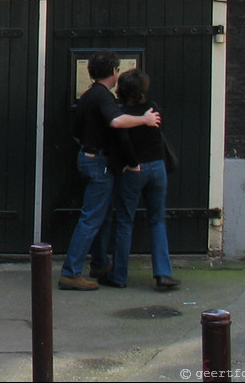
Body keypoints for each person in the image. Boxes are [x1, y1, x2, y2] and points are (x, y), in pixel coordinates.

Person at [59, 51, 162, 291]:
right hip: (99, 163)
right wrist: (145, 120)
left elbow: (76, 134)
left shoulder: (87, 96)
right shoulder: (103, 96)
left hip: (88, 158)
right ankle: (70, 272)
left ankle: (99, 263)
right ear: (114, 71)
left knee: (102, 216)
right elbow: (116, 122)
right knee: (92, 218)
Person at [99, 68, 179, 290]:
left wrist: (132, 163)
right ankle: (163, 273)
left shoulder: (121, 113)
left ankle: (119, 275)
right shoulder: (154, 109)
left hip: (135, 170)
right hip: (158, 167)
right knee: (157, 220)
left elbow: (122, 140)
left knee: (125, 221)